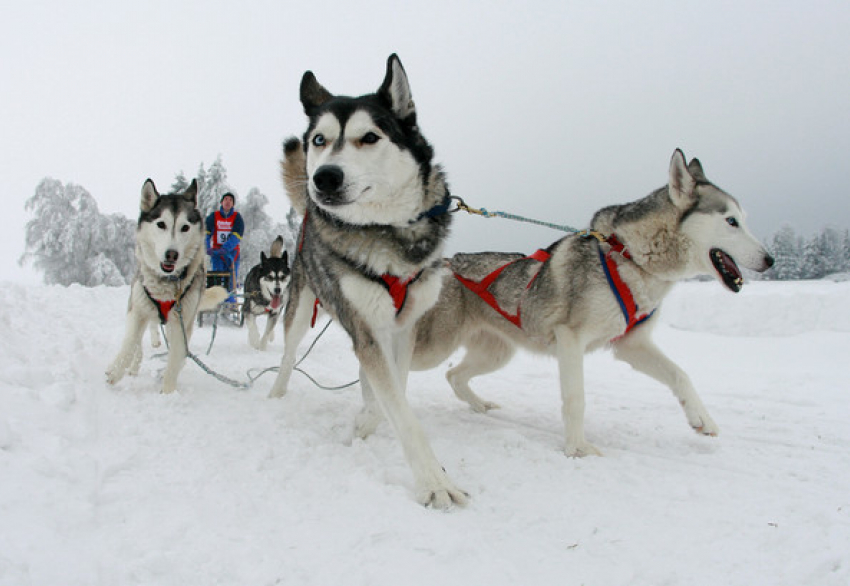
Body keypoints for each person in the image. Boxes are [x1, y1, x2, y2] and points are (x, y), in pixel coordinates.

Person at [205, 192, 244, 302]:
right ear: (221, 202)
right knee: (218, 278)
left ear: (233, 204)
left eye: (230, 200)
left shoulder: (237, 217)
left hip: (232, 254)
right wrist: (207, 247)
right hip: (217, 253)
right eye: (225, 199)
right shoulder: (213, 216)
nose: (228, 201)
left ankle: (230, 304)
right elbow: (206, 234)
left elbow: (236, 236)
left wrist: (226, 248)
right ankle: (217, 302)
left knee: (231, 280)